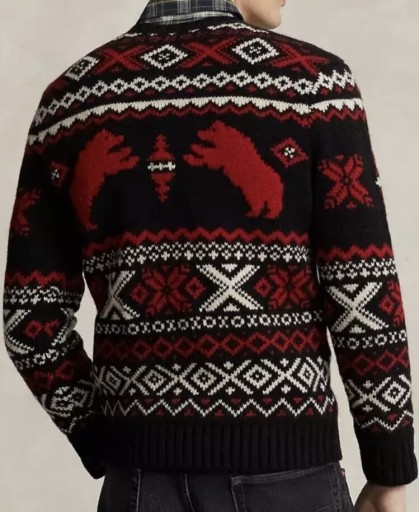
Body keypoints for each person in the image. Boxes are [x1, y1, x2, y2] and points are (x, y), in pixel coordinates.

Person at [2, 0, 417, 511]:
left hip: (138, 485)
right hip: (286, 477)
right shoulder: (314, 86)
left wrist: (105, 438)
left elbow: (30, 321)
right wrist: (388, 466)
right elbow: (362, 287)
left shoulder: (69, 102)